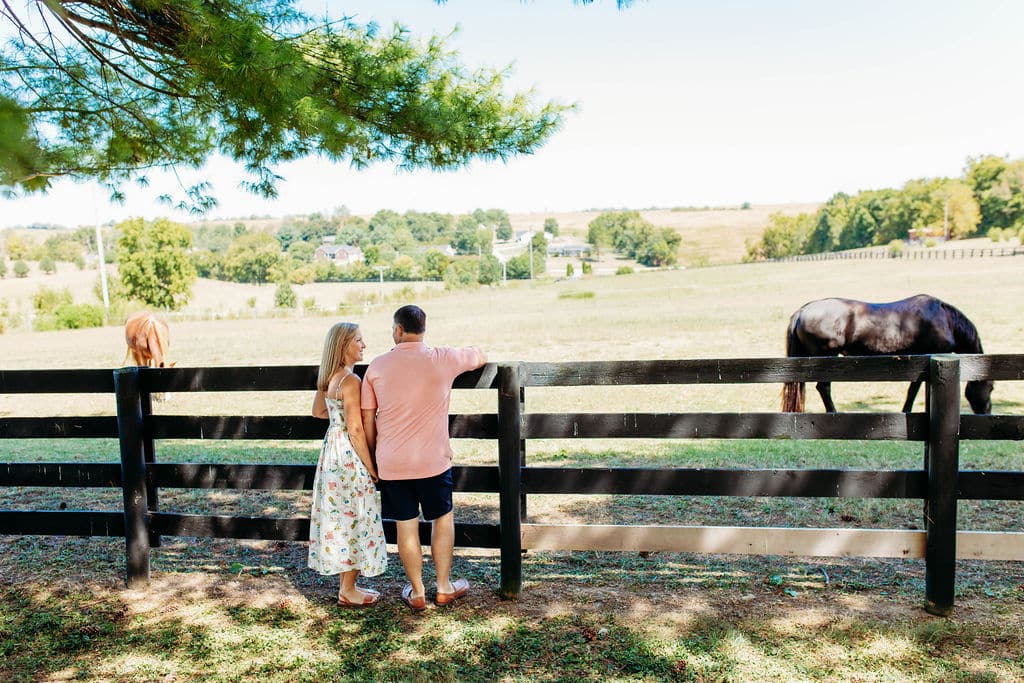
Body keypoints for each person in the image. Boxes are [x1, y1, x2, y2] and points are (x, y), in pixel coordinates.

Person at [361, 304, 487, 611]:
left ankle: (417, 591)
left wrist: (377, 458)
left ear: (398, 330)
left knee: (406, 526)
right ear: (424, 329)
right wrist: (470, 350)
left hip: (392, 464)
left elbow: (367, 421)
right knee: (441, 520)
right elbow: (478, 354)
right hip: (433, 461)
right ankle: (443, 586)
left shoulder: (376, 367)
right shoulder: (442, 358)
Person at [308, 322, 387, 607]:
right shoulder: (351, 382)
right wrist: (372, 468)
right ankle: (349, 589)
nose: (364, 344)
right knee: (356, 516)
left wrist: (334, 410)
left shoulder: (331, 378)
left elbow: (318, 411)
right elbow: (355, 429)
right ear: (344, 346)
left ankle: (347, 587)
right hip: (348, 458)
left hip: (332, 452)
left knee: (342, 517)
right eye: (358, 340)